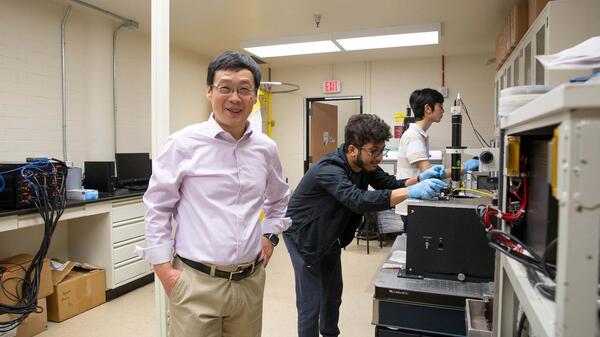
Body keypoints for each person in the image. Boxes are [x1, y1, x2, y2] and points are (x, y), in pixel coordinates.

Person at [137, 51, 291, 337]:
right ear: (209, 91)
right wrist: (164, 272)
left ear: (254, 96)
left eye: (244, 89)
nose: (235, 97)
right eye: (225, 88)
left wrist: (269, 236)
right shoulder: (182, 144)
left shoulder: (266, 148)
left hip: (249, 282)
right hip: (196, 282)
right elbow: (158, 208)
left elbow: (279, 198)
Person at [283, 114, 447, 337]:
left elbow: (389, 184)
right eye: (373, 151)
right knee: (311, 303)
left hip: (330, 234)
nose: (378, 157)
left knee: (333, 296)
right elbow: (357, 200)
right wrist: (410, 192)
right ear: (352, 149)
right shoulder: (329, 168)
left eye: (381, 151)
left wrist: (419, 179)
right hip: (305, 237)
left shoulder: (365, 166)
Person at [395, 88, 478, 227]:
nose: (443, 111)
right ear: (428, 108)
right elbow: (428, 175)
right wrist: (465, 167)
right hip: (412, 205)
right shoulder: (414, 136)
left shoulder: (419, 135)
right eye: (440, 106)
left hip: (415, 203)